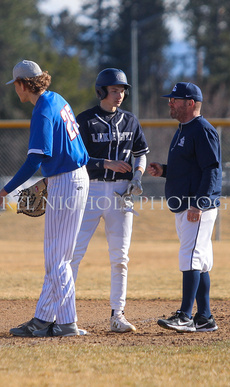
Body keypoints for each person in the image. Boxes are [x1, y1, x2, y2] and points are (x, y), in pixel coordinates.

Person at [0, 60, 90, 337]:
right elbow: (67, 149)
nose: (16, 91)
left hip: (67, 182)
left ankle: (68, 323)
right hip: (72, 177)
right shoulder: (57, 99)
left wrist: (4, 191)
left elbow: (35, 158)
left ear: (23, 84)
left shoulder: (43, 111)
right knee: (57, 257)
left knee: (57, 261)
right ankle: (43, 319)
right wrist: (50, 179)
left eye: (16, 86)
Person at [71, 68, 149, 333]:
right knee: (73, 254)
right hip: (90, 190)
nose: (120, 95)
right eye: (114, 90)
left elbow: (140, 154)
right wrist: (105, 163)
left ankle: (118, 315)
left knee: (121, 257)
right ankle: (65, 315)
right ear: (102, 91)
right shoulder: (84, 120)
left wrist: (137, 176)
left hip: (121, 193)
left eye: (123, 90)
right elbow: (74, 158)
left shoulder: (130, 121)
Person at [147, 82, 222, 333]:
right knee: (199, 261)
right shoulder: (184, 129)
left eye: (175, 99)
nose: (170, 102)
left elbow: (211, 170)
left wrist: (199, 203)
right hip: (185, 203)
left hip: (195, 205)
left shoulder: (202, 130)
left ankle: (185, 316)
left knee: (190, 257)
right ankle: (204, 317)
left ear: (190, 103)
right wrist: (164, 171)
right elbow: (190, 168)